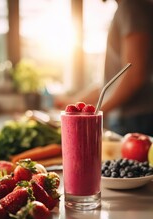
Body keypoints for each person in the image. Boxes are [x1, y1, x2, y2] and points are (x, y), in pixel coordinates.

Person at [55, 0, 153, 136]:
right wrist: (73, 102)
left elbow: (134, 74)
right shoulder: (127, 8)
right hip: (130, 119)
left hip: (136, 120)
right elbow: (108, 84)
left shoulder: (131, 6)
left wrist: (96, 113)